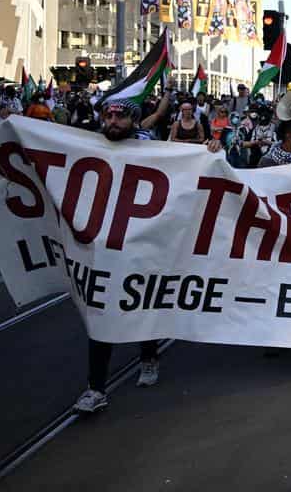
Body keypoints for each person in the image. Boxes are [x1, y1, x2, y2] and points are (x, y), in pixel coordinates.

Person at [75, 99, 223, 413]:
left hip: (143, 242)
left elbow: (185, 171)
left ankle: (148, 357)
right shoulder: (88, 142)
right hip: (104, 244)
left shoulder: (151, 148)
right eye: (108, 115)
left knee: (141, 302)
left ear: (134, 119)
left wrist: (207, 151)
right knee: (101, 310)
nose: (113, 120)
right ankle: (95, 387)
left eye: (120, 116)